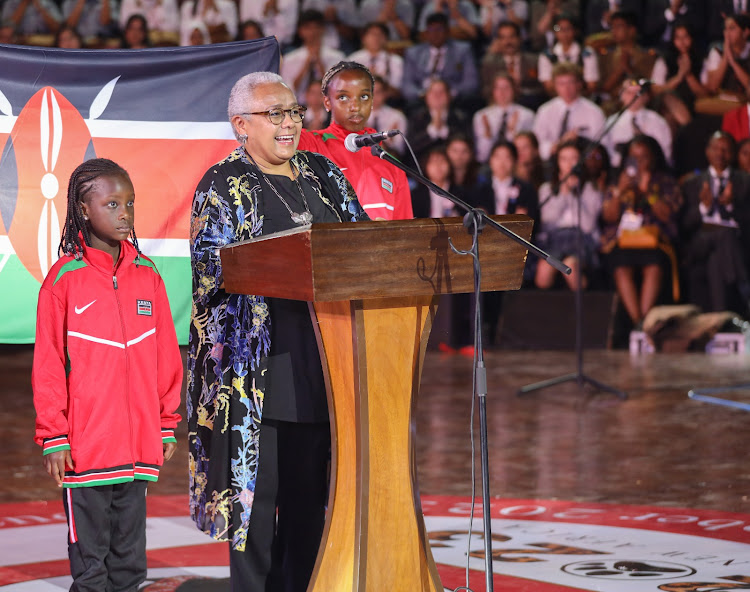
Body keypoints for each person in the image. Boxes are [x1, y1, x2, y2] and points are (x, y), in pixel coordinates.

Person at [188, 71, 368, 592]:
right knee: (256, 513)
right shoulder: (221, 185)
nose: (289, 123)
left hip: (324, 366)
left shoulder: (324, 174)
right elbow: (210, 276)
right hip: (255, 375)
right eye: (276, 114)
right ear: (241, 124)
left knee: (310, 504)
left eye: (293, 112)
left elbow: (364, 247)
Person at [32, 158, 183, 591]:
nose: (125, 214)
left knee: (130, 563)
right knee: (91, 567)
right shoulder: (63, 280)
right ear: (83, 209)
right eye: (112, 204)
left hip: (137, 448)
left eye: (130, 204)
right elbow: (47, 367)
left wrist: (166, 423)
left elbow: (165, 357)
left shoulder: (148, 276)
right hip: (86, 449)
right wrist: (54, 436)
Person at [297, 61, 413, 220]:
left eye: (364, 96)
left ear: (372, 101)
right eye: (343, 97)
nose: (355, 106)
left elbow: (404, 234)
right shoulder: (310, 144)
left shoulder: (391, 164)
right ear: (327, 102)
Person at [600, 135, 683, 329]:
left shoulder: (665, 181)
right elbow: (609, 217)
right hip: (624, 242)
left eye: (644, 157)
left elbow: (667, 215)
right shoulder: (619, 182)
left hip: (655, 241)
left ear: (654, 158)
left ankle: (644, 321)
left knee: (653, 266)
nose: (639, 162)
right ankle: (638, 322)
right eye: (633, 157)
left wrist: (648, 192)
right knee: (621, 267)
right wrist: (620, 191)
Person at [680, 131, 750, 315]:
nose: (720, 154)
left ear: (733, 154)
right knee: (723, 236)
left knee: (716, 259)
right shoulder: (692, 183)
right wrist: (704, 207)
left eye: (726, 150)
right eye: (716, 149)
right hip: (701, 240)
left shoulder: (745, 182)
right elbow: (685, 224)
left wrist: (731, 207)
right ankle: (744, 286)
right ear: (707, 152)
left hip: (733, 240)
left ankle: (720, 319)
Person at [534, 139, 603, 291]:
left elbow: (588, 225)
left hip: (581, 238)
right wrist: (564, 190)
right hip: (554, 240)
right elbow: (548, 220)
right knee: (543, 275)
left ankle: (585, 310)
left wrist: (575, 193)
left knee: (570, 268)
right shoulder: (547, 189)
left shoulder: (591, 188)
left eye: (574, 159)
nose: (569, 164)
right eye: (564, 159)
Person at [402, 11, 479, 108]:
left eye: (439, 29)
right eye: (431, 29)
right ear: (426, 33)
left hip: (453, 98)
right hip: (422, 98)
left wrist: (449, 94)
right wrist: (423, 95)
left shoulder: (463, 50)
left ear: (447, 32)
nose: (435, 33)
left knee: (470, 101)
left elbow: (471, 83)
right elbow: (407, 84)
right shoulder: (413, 53)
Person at [532, 62, 606, 161]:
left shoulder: (594, 112)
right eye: (561, 84)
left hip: (583, 162)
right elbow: (537, 144)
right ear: (555, 86)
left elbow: (602, 145)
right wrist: (558, 144)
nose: (566, 88)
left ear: (579, 84)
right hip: (551, 161)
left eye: (571, 83)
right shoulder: (545, 111)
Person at [602, 77, 673, 169]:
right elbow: (607, 153)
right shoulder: (611, 123)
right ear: (621, 95)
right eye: (629, 92)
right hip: (620, 171)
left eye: (637, 93)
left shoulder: (658, 122)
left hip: (653, 170)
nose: (633, 97)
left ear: (646, 96)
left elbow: (665, 152)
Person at [280, 9, 345, 98]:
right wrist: (306, 64)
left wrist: (319, 62)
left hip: (328, 107)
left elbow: (337, 89)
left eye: (316, 27)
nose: (313, 31)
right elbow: (288, 90)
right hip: (298, 106)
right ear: (300, 31)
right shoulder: (290, 59)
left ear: (323, 29)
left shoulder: (337, 57)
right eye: (308, 28)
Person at [472, 72, 535, 162]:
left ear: (514, 90)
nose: (502, 92)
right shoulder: (481, 116)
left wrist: (512, 132)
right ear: (492, 91)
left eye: (506, 88)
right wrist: (487, 135)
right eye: (498, 88)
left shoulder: (527, 115)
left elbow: (527, 151)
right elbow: (482, 156)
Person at [537, 13, 599, 96]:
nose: (564, 32)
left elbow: (591, 85)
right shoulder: (546, 55)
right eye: (559, 28)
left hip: (582, 97)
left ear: (575, 30)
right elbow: (548, 86)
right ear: (554, 32)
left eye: (568, 28)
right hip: (556, 99)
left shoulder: (587, 53)